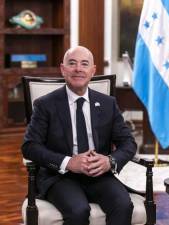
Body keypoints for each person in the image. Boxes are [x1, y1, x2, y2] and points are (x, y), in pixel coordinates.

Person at [21, 46, 136, 225]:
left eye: (84, 64)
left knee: (123, 205)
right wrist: (68, 162)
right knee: (78, 210)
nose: (78, 69)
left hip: (99, 174)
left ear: (93, 71)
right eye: (72, 63)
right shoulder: (45, 104)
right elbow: (29, 147)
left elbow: (128, 143)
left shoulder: (107, 103)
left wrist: (109, 161)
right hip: (60, 176)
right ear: (63, 69)